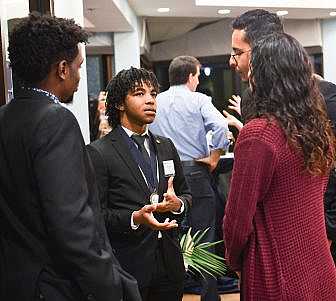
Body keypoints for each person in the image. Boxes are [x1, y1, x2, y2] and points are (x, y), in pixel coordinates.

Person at [0, 14, 140, 301]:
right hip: (53, 285)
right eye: (78, 67)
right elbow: (71, 222)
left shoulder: (5, 117)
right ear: (62, 69)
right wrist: (111, 286)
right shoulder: (55, 120)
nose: (79, 77)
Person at [224, 32, 336, 300]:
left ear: (260, 76)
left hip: (276, 270)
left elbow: (237, 219)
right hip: (320, 266)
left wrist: (234, 261)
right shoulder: (315, 129)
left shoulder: (259, 134)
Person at [86, 67, 191, 301]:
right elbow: (96, 216)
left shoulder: (166, 146)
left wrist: (178, 204)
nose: (150, 100)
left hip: (169, 265)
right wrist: (135, 218)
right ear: (120, 104)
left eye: (153, 94)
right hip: (128, 266)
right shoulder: (98, 153)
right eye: (139, 93)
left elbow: (186, 194)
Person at [150, 55, 230, 301]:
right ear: (190, 76)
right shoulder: (198, 99)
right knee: (204, 235)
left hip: (164, 174)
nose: (197, 81)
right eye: (197, 76)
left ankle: (175, 291)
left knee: (168, 234)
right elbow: (220, 126)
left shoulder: (157, 100)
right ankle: (209, 297)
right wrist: (215, 156)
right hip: (195, 171)